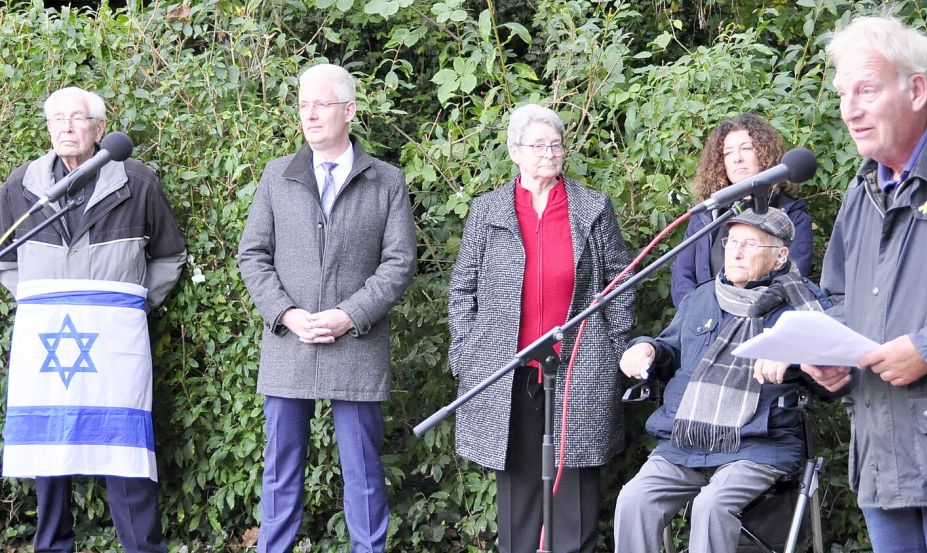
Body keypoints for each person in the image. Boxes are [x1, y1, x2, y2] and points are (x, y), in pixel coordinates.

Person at [802, 15, 927, 553]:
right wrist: (825, 353)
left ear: (917, 89)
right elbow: (841, 300)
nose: (849, 110)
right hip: (882, 462)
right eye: (842, 95)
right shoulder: (863, 192)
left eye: (866, 90)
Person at [237, 63, 416, 553]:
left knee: (362, 471)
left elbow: (399, 263)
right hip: (288, 345)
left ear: (350, 110)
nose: (310, 114)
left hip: (356, 346)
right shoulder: (276, 176)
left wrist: (350, 315)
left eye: (321, 104)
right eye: (303, 105)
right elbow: (252, 255)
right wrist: (287, 314)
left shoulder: (387, 181)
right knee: (280, 472)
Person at [0, 86, 186, 552]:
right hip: (49, 349)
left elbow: (169, 256)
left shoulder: (136, 182)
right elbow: (6, 259)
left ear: (100, 129)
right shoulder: (21, 187)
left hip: (114, 349)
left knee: (123, 454)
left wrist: (131, 310)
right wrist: (38, 303)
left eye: (77, 118)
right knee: (51, 451)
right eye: (56, 119)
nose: (65, 127)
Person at [447, 104, 635, 553]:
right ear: (515, 151)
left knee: (574, 497)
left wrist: (616, 350)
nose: (550, 154)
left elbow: (621, 282)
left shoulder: (592, 208)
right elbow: (462, 290)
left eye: (556, 145)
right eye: (538, 146)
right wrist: (466, 353)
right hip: (507, 373)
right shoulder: (488, 211)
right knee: (520, 496)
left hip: (578, 370)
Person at [614, 208, 830, 553]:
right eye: (732, 242)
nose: (736, 251)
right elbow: (669, 347)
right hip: (686, 440)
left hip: (759, 443)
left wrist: (797, 356)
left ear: (780, 256)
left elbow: (830, 374)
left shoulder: (803, 306)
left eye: (750, 244)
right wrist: (645, 349)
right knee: (634, 499)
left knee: (711, 505)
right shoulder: (702, 297)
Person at [670, 113, 813, 307]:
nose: (737, 158)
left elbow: (795, 277)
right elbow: (683, 274)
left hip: (762, 322)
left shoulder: (791, 212)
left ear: (765, 154)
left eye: (746, 148)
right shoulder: (707, 214)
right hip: (704, 323)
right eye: (728, 152)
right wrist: (697, 313)